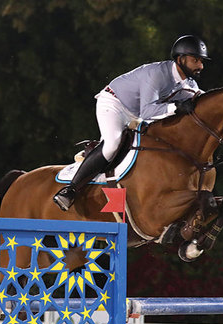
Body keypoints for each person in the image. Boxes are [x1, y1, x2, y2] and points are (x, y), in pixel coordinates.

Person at [53, 35, 210, 211]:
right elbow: (147, 112)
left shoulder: (189, 83)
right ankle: (70, 190)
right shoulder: (156, 74)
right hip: (114, 103)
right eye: (195, 60)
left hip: (136, 113)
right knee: (112, 144)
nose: (201, 66)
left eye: (201, 61)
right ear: (180, 59)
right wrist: (176, 107)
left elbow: (203, 101)